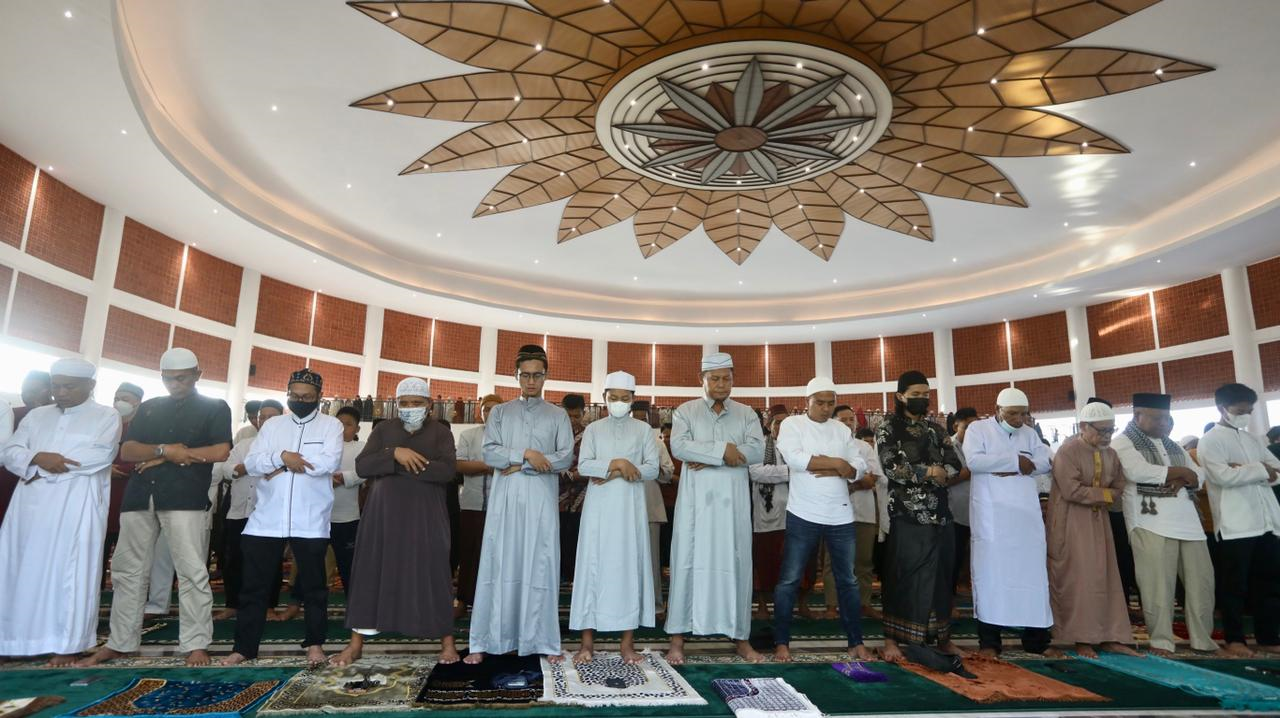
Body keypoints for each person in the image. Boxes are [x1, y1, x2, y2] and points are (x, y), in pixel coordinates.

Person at [80, 348, 232, 668]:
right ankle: (121, 642)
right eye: (168, 378)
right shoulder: (149, 408)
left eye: (181, 378)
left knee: (191, 570)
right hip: (139, 498)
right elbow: (129, 449)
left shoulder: (215, 407)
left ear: (197, 375)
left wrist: (169, 456)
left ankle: (196, 643)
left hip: (185, 498)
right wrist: (165, 449)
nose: (174, 384)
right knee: (127, 571)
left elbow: (220, 450)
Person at [330, 378, 460, 666]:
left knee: (434, 571)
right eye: (405, 403)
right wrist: (395, 454)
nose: (411, 408)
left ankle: (447, 642)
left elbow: (447, 471)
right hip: (383, 514)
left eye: (417, 403)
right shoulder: (383, 430)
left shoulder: (440, 433)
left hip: (426, 515)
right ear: (396, 404)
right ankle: (356, 644)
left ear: (429, 406)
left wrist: (396, 465)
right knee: (371, 571)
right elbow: (363, 466)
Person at [0, 358, 121, 665]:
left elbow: (97, 456)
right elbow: (11, 451)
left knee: (69, 572)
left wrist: (41, 465)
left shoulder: (106, 416)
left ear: (91, 385)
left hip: (75, 506)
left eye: (70, 386)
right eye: (57, 386)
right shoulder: (37, 415)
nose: (62, 392)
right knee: (17, 570)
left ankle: (67, 644)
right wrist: (37, 458)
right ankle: (13, 641)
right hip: (28, 506)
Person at [221, 369, 343, 666]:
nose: (300, 401)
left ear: (319, 397)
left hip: (310, 519)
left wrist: (279, 465)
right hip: (266, 518)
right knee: (254, 587)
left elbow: (327, 463)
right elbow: (252, 462)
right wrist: (283, 458)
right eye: (295, 396)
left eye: (307, 397)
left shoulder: (331, 426)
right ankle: (244, 647)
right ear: (288, 394)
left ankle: (315, 644)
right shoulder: (274, 425)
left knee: (314, 587)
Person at [466, 345, 574, 665]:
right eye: (525, 375)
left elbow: (564, 457)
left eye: (536, 375)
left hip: (541, 499)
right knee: (501, 563)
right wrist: (527, 455)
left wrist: (521, 464)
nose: (530, 381)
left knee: (539, 564)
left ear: (546, 376)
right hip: (506, 500)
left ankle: (541, 640)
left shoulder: (558, 415)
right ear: (516, 376)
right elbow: (490, 454)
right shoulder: (500, 412)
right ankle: (490, 639)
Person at [665, 352, 765, 664]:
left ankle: (741, 639)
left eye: (727, 378)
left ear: (734, 379)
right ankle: (677, 640)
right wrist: (725, 451)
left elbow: (757, 450)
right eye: (715, 378)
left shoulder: (747, 413)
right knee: (687, 564)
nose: (722, 384)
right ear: (702, 380)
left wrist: (706, 454)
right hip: (696, 507)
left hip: (732, 505)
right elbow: (679, 447)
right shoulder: (686, 411)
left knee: (736, 564)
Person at [1111, 392, 1219, 656]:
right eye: (1158, 418)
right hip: (1150, 522)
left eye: (1167, 418)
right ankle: (1161, 641)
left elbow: (1200, 473)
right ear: (1138, 416)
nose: (1164, 423)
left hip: (1188, 523)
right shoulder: (1123, 442)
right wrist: (1181, 472)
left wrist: (1185, 478)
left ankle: (1203, 640)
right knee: (1157, 586)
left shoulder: (1172, 445)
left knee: (1202, 585)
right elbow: (1136, 471)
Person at [773, 377, 871, 662]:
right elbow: (795, 459)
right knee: (789, 580)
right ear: (807, 402)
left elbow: (859, 466)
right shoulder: (793, 425)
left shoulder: (842, 429)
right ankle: (782, 643)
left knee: (848, 581)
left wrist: (843, 467)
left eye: (831, 403)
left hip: (840, 514)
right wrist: (838, 464)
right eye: (820, 402)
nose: (826, 408)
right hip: (803, 512)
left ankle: (855, 642)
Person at [570, 371, 660, 664]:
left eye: (624, 398)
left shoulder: (644, 430)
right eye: (613, 398)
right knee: (592, 570)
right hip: (598, 513)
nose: (619, 402)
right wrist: (619, 464)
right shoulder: (594, 429)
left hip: (630, 512)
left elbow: (651, 470)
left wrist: (613, 471)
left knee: (628, 571)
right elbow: (584, 466)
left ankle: (626, 644)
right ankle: (586, 644)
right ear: (605, 398)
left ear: (633, 400)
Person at [876, 371, 964, 662]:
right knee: (902, 575)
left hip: (940, 513)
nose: (922, 399)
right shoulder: (888, 427)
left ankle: (942, 639)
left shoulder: (935, 429)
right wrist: (929, 472)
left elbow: (954, 463)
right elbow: (892, 467)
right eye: (915, 395)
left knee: (941, 576)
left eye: (925, 394)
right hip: (906, 514)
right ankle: (893, 640)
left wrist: (942, 473)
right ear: (901, 396)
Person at [965, 387, 1056, 657]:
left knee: (1033, 576)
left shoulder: (1029, 433)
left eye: (1023, 414)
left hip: (1025, 517)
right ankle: (990, 644)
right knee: (991, 577)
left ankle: (1037, 642)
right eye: (1012, 413)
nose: (1018, 419)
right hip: (992, 517)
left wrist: (1015, 466)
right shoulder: (978, 430)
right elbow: (974, 461)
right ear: (997, 411)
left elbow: (1044, 461)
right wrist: (1017, 462)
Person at [1046, 401, 1137, 658]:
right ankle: (1080, 638)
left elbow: (1120, 483)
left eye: (1111, 430)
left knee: (1106, 576)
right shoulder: (1068, 451)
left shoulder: (1110, 453)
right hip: (1071, 521)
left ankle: (1110, 636)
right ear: (1084, 427)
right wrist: (1107, 494)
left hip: (1099, 522)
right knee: (1080, 579)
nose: (1107, 436)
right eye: (1102, 431)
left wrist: (1106, 495)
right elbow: (1071, 490)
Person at [1200, 383, 1280, 658]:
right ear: (1222, 409)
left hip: (1267, 521)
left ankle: (1268, 636)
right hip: (1236, 525)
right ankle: (1234, 639)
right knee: (1235, 586)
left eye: (1250, 410)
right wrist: (1260, 470)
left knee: (1269, 583)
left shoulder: (1253, 439)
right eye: (1240, 411)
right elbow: (1223, 476)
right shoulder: (1211, 440)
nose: (1246, 415)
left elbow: (1278, 472)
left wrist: (1249, 470)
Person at [213, 400, 284, 620]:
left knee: (270, 560)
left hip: (270, 513)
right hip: (240, 511)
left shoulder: (287, 449)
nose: (265, 421)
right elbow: (225, 469)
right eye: (262, 417)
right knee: (233, 559)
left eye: (272, 417)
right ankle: (233, 604)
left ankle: (269, 605)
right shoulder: (244, 445)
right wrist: (245, 467)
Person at [748, 407, 804, 619]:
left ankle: (800, 604)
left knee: (799, 562)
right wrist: (791, 472)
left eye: (785, 422)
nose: (781, 426)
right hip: (767, 513)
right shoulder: (760, 446)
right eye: (777, 422)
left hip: (798, 511)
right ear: (769, 425)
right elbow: (756, 472)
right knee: (765, 562)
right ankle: (762, 606)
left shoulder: (798, 446)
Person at [455, 393, 504, 614]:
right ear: (480, 412)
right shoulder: (469, 435)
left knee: (497, 555)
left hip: (501, 506)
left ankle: (494, 602)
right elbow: (459, 465)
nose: (490, 413)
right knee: (469, 553)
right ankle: (464, 600)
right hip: (472, 504)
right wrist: (489, 466)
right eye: (486, 409)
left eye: (495, 409)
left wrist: (483, 465)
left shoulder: (510, 438)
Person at [631, 400, 675, 620]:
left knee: (651, 561)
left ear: (648, 418)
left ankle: (655, 606)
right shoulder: (621, 441)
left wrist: (649, 468)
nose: (639, 420)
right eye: (636, 416)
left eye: (643, 417)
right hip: (624, 510)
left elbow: (668, 472)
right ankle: (626, 605)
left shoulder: (657, 443)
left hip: (650, 506)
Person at [0, 371, 52, 528]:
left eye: (33, 391)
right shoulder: (14, 413)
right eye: (24, 390)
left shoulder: (58, 415)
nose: (27, 395)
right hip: (8, 476)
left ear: (49, 391)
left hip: (36, 479)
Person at [105, 383, 144, 586]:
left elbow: (144, 458)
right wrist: (104, 469)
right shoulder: (107, 424)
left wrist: (120, 469)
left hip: (129, 499)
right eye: (116, 397)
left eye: (125, 398)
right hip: (103, 498)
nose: (118, 402)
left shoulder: (144, 426)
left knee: (127, 557)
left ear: (138, 402)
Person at [330, 406, 366, 596]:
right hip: (318, 516)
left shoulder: (362, 448)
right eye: (339, 424)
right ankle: (297, 603)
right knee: (310, 562)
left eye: (348, 424)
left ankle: (354, 602)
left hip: (347, 517)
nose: (342, 428)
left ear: (357, 429)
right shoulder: (323, 445)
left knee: (348, 563)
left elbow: (366, 472)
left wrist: (341, 478)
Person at [945, 408, 978, 595]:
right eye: (967, 427)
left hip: (979, 510)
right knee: (954, 556)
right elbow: (947, 478)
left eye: (975, 427)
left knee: (973, 555)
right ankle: (949, 601)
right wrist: (972, 469)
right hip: (955, 511)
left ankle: (967, 585)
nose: (972, 431)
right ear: (956, 425)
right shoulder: (948, 446)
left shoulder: (983, 446)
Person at [558, 394, 588, 583]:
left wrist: (575, 474)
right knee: (558, 535)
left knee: (578, 536)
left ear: (584, 414)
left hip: (582, 497)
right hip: (557, 495)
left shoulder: (590, 435)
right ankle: (558, 573)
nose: (572, 420)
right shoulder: (554, 434)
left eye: (576, 416)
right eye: (568, 416)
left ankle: (575, 576)